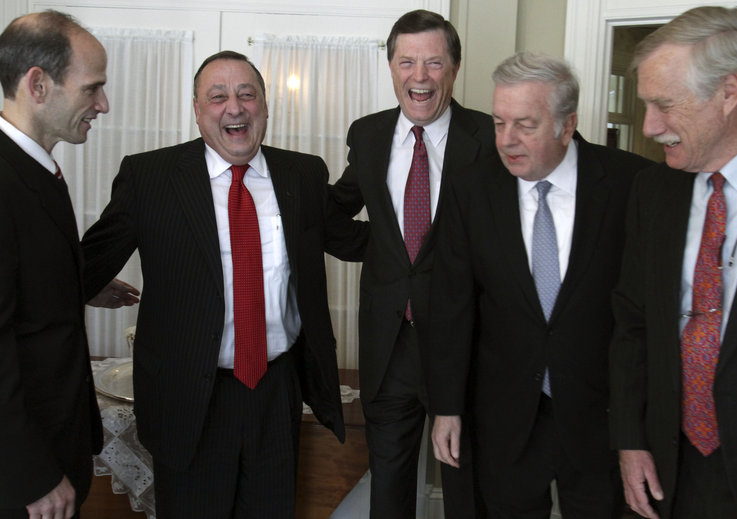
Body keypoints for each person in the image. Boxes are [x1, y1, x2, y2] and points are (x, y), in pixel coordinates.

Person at [81, 50, 367, 518]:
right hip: (189, 398)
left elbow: (353, 240)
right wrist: (84, 284)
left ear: (265, 106)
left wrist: (434, 225)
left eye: (246, 94)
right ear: (197, 110)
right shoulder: (149, 177)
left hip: (276, 391)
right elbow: (84, 263)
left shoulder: (303, 173)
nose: (234, 108)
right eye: (218, 97)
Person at [427, 51, 652, 519]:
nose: (506, 140)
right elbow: (452, 306)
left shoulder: (631, 185)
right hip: (505, 415)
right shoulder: (472, 188)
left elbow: (642, 316)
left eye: (525, 125)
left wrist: (637, 430)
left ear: (566, 126)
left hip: (599, 418)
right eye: (498, 121)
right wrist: (447, 408)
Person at [609, 6, 737, 519]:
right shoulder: (653, 191)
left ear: (729, 92)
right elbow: (631, 326)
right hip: (667, 474)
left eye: (665, 105)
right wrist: (630, 442)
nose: (650, 127)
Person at [328, 9, 495, 518]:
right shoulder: (370, 135)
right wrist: (382, 247)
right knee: (389, 492)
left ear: (455, 68)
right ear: (391, 67)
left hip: (467, 346)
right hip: (390, 343)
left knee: (468, 494)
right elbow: (335, 216)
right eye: (407, 62)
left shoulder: (490, 138)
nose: (419, 77)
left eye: (433, 63)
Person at [0, 10, 138, 519]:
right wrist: (29, 471)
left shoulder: (35, 167)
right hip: (23, 474)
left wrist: (74, 284)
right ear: (38, 84)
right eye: (92, 88)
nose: (102, 104)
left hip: (58, 443)